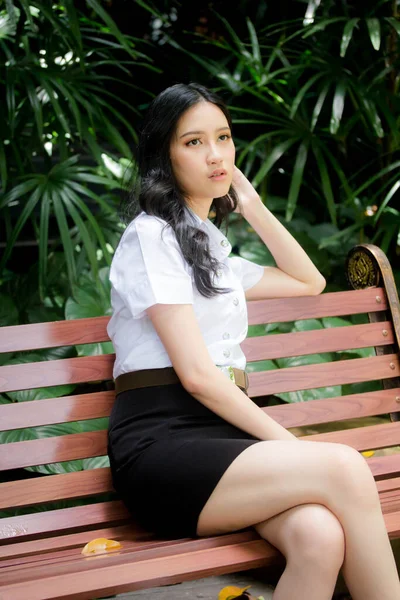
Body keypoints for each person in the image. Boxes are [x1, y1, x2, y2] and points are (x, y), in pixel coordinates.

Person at [106, 82, 400, 600]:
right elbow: (197, 377)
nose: (216, 154)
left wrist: (254, 205)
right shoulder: (151, 236)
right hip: (163, 445)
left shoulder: (211, 249)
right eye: (193, 142)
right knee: (345, 467)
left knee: (319, 536)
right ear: (163, 156)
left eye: (223, 138)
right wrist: (287, 445)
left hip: (224, 441)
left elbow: (309, 281)